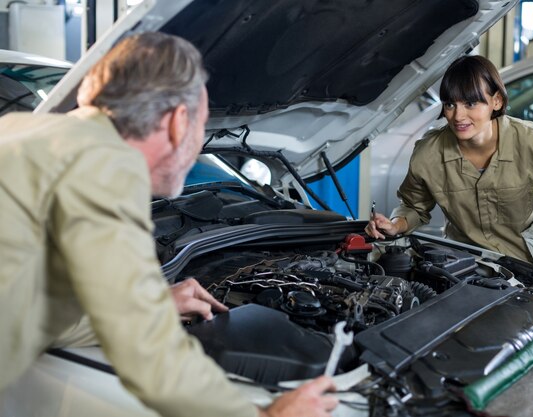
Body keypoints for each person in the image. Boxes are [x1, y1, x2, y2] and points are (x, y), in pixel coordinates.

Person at [0, 32, 337, 417]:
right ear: (179, 121)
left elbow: (24, 310)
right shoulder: (100, 166)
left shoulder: (24, 134)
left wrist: (147, 305)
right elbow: (152, 359)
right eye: (203, 125)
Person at [366, 55, 533, 297]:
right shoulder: (428, 153)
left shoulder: (530, 140)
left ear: (496, 101)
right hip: (466, 267)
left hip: (529, 265)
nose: (458, 116)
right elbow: (413, 206)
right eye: (450, 104)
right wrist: (395, 225)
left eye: (470, 103)